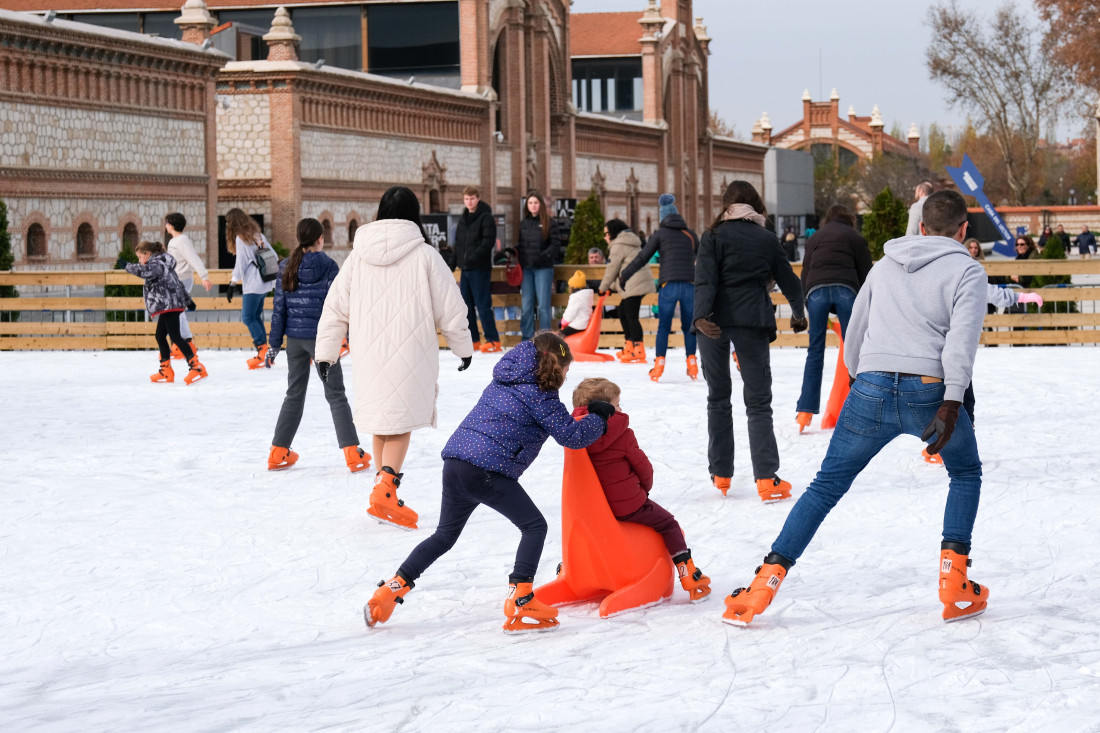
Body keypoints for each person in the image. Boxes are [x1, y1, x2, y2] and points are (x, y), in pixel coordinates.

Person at [722, 190, 991, 628]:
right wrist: (952, 401)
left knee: (825, 486)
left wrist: (862, 380)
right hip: (930, 392)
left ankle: (762, 584)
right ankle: (954, 582)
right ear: (964, 230)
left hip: (870, 387)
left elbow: (856, 333)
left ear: (922, 227)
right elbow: (961, 344)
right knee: (964, 473)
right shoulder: (968, 271)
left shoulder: (884, 267)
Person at [365, 332, 613, 633]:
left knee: (444, 536)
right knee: (534, 526)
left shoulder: (505, 378)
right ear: (556, 368)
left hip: (456, 463)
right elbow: (572, 436)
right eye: (566, 371)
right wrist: (599, 416)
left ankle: (391, 589)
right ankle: (521, 598)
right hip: (486, 470)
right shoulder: (541, 396)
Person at [315, 186, 473, 530]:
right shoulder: (426, 255)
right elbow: (452, 307)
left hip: (368, 351)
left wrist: (326, 353)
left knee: (381, 420)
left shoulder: (357, 257)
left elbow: (335, 308)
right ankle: (386, 489)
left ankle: (382, 490)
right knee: (399, 420)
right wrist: (462, 346)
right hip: (411, 350)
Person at [693, 180, 806, 503]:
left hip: (712, 322)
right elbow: (789, 280)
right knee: (758, 402)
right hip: (752, 321)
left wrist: (700, 317)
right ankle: (766, 478)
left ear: (726, 205)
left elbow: (705, 280)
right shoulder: (766, 237)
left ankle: (721, 473)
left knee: (718, 397)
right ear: (755, 204)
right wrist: (798, 313)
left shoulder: (712, 236)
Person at [571, 377, 712, 603]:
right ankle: (688, 573)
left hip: (590, 510)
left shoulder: (572, 436)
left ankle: (573, 568)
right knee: (669, 524)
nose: (620, 409)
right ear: (606, 409)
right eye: (617, 405)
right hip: (626, 505)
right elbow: (643, 468)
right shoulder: (622, 434)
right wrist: (643, 490)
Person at [264, 218, 371, 474]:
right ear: (320, 239)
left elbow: (279, 309)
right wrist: (350, 336)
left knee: (294, 394)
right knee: (335, 394)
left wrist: (274, 345)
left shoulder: (286, 266)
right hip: (323, 339)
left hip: (294, 341)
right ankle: (352, 452)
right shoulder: (330, 266)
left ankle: (278, 451)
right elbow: (342, 304)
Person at [794, 204, 872, 432]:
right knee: (853, 352)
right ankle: (859, 409)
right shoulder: (855, 237)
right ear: (849, 219)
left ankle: (805, 411)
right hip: (846, 290)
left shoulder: (815, 238)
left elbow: (805, 272)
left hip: (816, 292)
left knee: (815, 351)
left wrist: (807, 303)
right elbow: (867, 274)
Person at [620, 193, 699, 383]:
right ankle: (692, 363)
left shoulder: (660, 234)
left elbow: (642, 257)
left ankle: (659, 365)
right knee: (689, 326)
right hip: (689, 285)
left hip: (668, 286)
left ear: (662, 217)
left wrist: (625, 274)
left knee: (664, 326)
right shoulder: (690, 234)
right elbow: (704, 258)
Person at [122, 241, 207, 386]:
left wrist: (128, 266)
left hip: (169, 305)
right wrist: (188, 300)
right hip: (169, 305)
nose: (139, 261)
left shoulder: (156, 264)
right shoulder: (164, 263)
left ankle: (196, 367)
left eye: (140, 257)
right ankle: (166, 370)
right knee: (160, 335)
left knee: (175, 336)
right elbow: (178, 283)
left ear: (147, 254)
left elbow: (146, 271)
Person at [599, 218, 655, 363]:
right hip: (634, 281)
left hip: (634, 283)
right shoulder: (628, 241)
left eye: (606, 234)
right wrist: (611, 287)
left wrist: (602, 288)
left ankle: (638, 349)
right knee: (623, 312)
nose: (605, 237)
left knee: (631, 316)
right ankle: (630, 346)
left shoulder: (618, 245)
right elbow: (621, 269)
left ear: (613, 233)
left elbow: (612, 270)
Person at [225, 208, 275, 369]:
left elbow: (241, 263)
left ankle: (262, 351)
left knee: (247, 317)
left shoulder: (241, 238)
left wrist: (232, 283)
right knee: (255, 316)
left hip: (253, 283)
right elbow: (273, 255)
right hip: (265, 282)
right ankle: (266, 353)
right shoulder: (258, 235)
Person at [454, 185, 501, 353]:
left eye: (472, 198)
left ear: (478, 198)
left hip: (480, 268)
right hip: (465, 269)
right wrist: (454, 261)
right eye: (466, 199)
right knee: (466, 306)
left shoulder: (486, 217)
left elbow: (488, 242)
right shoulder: (463, 218)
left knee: (483, 305)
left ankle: (493, 340)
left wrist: (472, 258)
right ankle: (473, 340)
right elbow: (459, 243)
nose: (469, 202)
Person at [164, 212, 211, 361]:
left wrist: (204, 277)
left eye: (167, 223)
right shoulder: (174, 241)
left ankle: (185, 343)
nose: (166, 225)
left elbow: (193, 258)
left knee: (176, 312)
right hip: (175, 280)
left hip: (182, 280)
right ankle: (184, 343)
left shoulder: (182, 241)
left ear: (171, 225)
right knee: (177, 312)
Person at [517, 190, 560, 340]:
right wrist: (513, 252)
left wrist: (543, 257)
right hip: (527, 269)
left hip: (543, 268)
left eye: (535, 202)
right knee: (527, 305)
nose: (533, 205)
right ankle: (527, 339)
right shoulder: (524, 223)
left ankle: (545, 339)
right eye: (530, 203)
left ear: (540, 204)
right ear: (527, 205)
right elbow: (521, 244)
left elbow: (555, 246)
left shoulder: (550, 222)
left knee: (543, 306)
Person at [559, 270, 594, 336]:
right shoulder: (586, 296)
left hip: (578, 325)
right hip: (586, 323)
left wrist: (563, 322)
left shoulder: (576, 297)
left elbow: (570, 312)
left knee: (559, 336)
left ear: (573, 287)